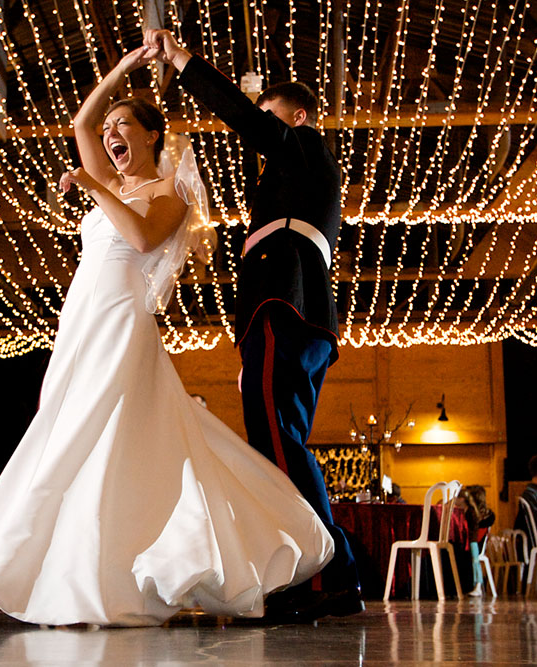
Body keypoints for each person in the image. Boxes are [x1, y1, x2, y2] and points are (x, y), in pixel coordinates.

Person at [0, 46, 334, 627]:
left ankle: (255, 543)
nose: (109, 135)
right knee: (70, 427)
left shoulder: (169, 191)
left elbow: (144, 240)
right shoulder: (109, 174)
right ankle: (81, 563)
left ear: (153, 136)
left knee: (103, 425)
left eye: (123, 125)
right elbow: (81, 122)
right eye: (109, 130)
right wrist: (122, 71)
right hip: (81, 316)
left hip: (122, 315)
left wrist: (95, 187)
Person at [143, 29, 362, 619]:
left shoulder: (307, 148)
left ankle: (323, 575)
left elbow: (246, 119)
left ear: (298, 117)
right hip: (299, 313)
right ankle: (325, 571)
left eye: (272, 116)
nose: (263, 127)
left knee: (277, 446)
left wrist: (181, 60)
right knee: (281, 443)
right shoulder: (297, 175)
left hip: (282, 304)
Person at [455, 485, 495, 597]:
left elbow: (474, 533)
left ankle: (476, 584)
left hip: (475, 543)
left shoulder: (475, 514)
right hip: (472, 542)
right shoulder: (476, 513)